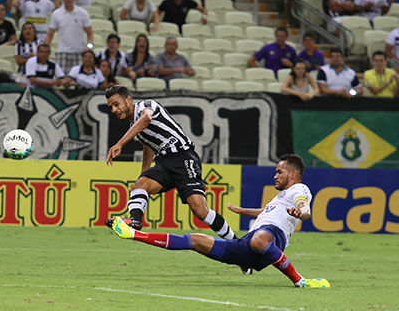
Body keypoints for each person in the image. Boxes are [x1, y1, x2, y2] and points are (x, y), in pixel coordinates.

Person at [107, 154, 330, 289]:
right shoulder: (281, 198)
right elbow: (269, 211)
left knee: (259, 240)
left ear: (293, 173)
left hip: (270, 237)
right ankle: (134, 234)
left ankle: (299, 280)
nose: (275, 176)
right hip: (248, 243)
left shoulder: (300, 189)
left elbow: (304, 207)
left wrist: (302, 212)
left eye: (279, 171)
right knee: (193, 240)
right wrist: (242, 211)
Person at [104, 85, 236, 239]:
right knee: (139, 186)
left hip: (183, 157)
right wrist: (143, 174)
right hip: (165, 162)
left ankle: (236, 243)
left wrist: (120, 143)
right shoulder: (135, 127)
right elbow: (149, 146)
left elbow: (146, 119)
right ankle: (135, 221)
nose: (114, 110)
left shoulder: (146, 106)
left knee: (200, 211)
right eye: (111, 107)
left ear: (128, 100)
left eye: (116, 104)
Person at [44, 0, 93, 73]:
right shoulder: (56, 14)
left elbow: (90, 33)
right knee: (62, 79)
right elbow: (50, 34)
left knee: (79, 78)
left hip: (79, 52)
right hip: (62, 52)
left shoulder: (82, 13)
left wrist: (88, 47)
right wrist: (45, 48)